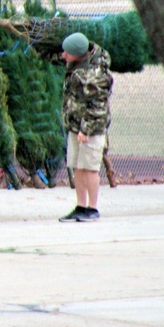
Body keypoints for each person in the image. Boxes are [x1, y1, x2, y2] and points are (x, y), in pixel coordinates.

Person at [57, 32, 113, 223]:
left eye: (67, 52)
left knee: (89, 168)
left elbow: (98, 105)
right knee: (77, 167)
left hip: (90, 130)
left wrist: (86, 129)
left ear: (78, 54)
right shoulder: (77, 64)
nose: (63, 55)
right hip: (75, 126)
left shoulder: (94, 74)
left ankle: (93, 208)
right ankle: (81, 206)